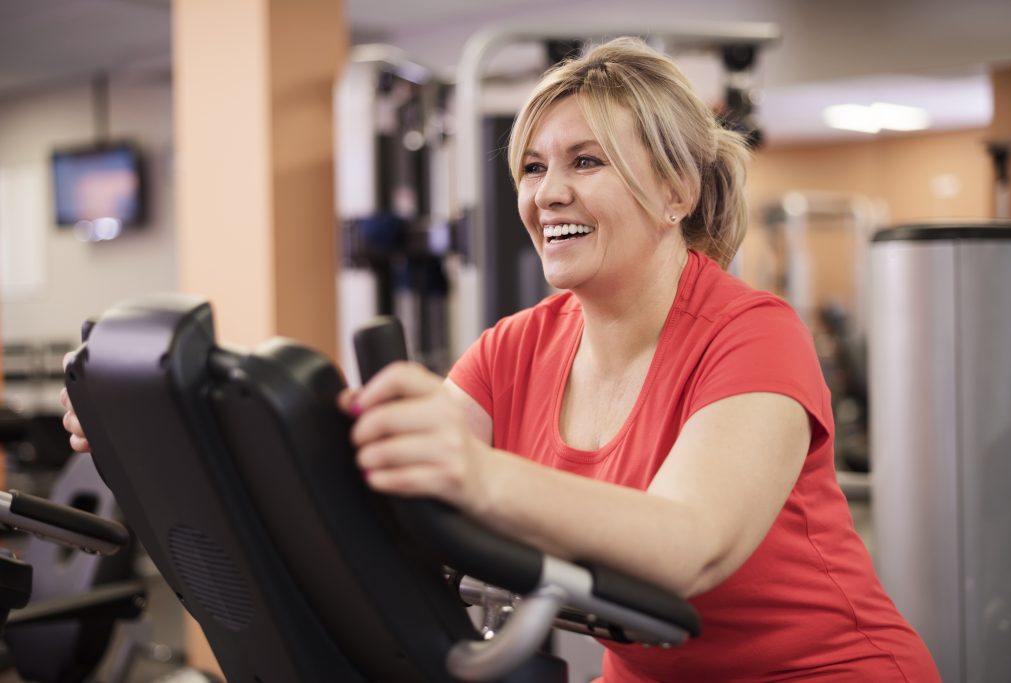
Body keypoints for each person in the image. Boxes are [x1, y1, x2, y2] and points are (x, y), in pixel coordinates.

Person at [62, 37, 939, 682]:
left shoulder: (752, 332)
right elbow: (362, 478)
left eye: (585, 161)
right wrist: (165, 434)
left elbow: (692, 545)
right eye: (531, 166)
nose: (546, 191)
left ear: (677, 191)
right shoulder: (516, 346)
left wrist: (479, 476)